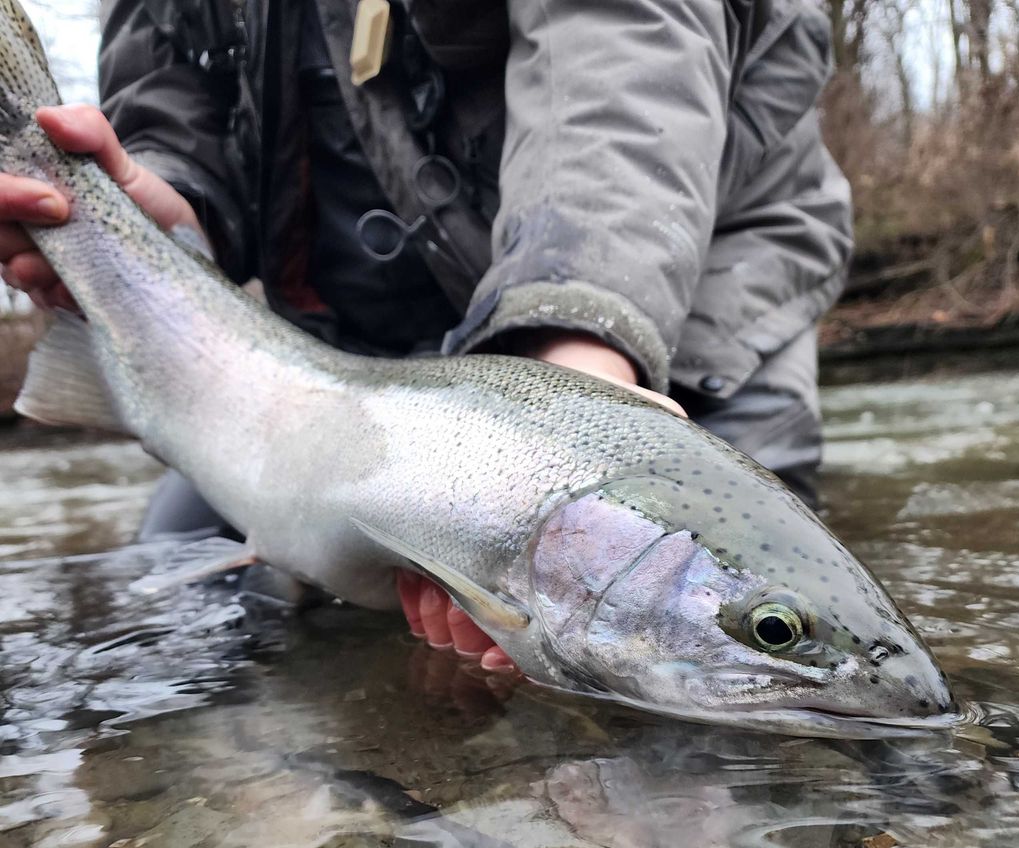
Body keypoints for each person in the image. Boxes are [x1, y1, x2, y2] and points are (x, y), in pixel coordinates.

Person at [0, 0, 852, 669]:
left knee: (746, 619)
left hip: (676, 275)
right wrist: (175, 218)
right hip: (350, 339)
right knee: (185, 597)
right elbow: (172, 94)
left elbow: (625, 69)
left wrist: (577, 348)